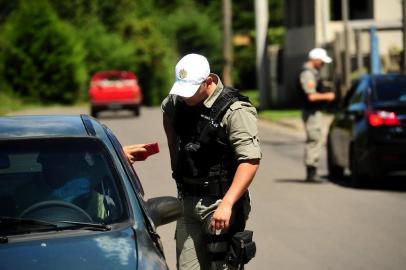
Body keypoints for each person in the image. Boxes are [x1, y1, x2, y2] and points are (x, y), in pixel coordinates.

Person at [160, 53, 261, 270]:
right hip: (188, 202)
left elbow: (250, 160)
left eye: (191, 90)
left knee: (222, 266)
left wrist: (228, 204)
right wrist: (175, 158)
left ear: (208, 82)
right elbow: (167, 113)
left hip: (220, 203)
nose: (185, 97)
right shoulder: (177, 102)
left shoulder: (235, 110)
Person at [298, 48, 336, 182]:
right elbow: (311, 96)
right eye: (322, 61)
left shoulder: (313, 73)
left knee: (318, 138)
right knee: (314, 139)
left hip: (314, 112)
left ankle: (313, 170)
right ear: (315, 59)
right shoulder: (308, 74)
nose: (323, 64)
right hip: (311, 113)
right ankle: (311, 172)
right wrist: (328, 96)